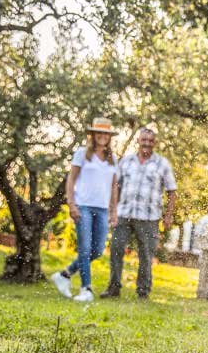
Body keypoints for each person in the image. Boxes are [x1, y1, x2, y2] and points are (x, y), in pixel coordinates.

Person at [100, 126, 177, 300]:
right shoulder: (126, 162)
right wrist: (113, 210)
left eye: (150, 141)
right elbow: (116, 187)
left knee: (146, 255)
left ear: (155, 143)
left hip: (149, 217)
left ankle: (143, 291)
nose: (147, 144)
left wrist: (168, 215)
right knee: (116, 249)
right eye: (144, 140)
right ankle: (114, 288)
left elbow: (172, 192)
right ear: (138, 141)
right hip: (124, 213)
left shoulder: (162, 164)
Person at [51, 117, 118, 302]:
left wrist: (114, 211)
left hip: (103, 208)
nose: (102, 136)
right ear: (93, 134)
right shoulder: (82, 154)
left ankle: (65, 274)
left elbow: (113, 186)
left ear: (109, 136)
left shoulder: (113, 158)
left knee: (97, 250)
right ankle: (85, 289)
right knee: (85, 248)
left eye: (106, 133)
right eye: (99, 132)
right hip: (84, 206)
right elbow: (71, 179)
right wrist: (71, 204)